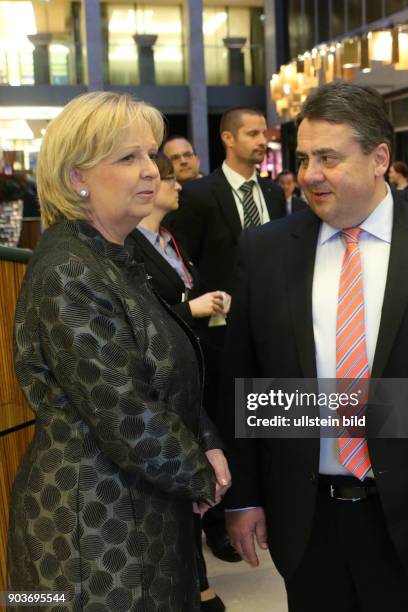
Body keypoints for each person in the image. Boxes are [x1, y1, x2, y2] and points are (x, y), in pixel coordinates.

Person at [220, 81, 408, 612]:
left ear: (379, 158)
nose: (310, 174)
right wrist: (245, 495)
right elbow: (247, 378)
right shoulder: (267, 250)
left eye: (328, 157)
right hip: (308, 519)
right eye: (303, 158)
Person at [8, 91, 231, 612]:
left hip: (138, 513)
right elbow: (126, 413)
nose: (150, 171)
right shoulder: (69, 269)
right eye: (127, 158)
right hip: (88, 535)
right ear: (75, 178)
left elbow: (169, 370)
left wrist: (206, 439)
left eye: (150, 155)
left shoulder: (118, 253)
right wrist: (203, 474)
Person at [166, 106, 286, 563]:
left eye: (264, 133)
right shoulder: (198, 195)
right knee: (223, 424)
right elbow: (182, 263)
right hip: (216, 335)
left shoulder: (273, 193)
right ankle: (219, 521)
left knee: (267, 415)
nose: (262, 141)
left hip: (269, 328)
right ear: (228, 139)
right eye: (253, 133)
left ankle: (267, 505)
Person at [126, 153, 229, 611]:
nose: (178, 186)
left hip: (197, 368)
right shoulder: (125, 249)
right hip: (160, 387)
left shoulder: (171, 238)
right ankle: (199, 584)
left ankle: (200, 572)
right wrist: (193, 309)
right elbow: (146, 325)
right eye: (171, 178)